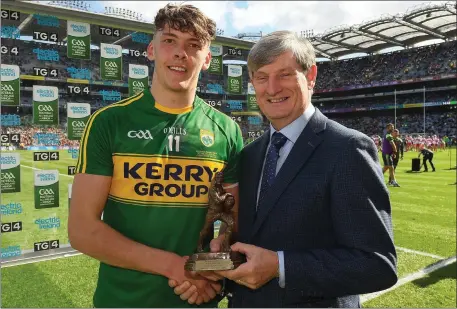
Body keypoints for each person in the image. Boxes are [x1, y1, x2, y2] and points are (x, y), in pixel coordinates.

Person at [171, 30, 397, 307]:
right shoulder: (250, 155)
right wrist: (223, 254)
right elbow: (253, 241)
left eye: (285, 74)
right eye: (262, 77)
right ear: (252, 83)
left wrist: (280, 266)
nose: (273, 88)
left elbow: (377, 264)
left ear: (311, 75)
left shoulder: (347, 149)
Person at [68, 3, 243, 308]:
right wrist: (175, 266)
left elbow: (236, 226)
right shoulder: (109, 122)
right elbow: (83, 230)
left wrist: (212, 273)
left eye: (193, 45)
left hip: (198, 299)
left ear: (207, 60)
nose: (180, 53)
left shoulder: (227, 131)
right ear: (151, 50)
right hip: (121, 301)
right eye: (170, 41)